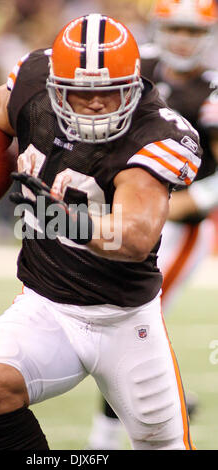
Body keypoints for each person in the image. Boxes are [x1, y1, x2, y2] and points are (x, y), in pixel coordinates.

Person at [0, 13, 202, 450]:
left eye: (109, 93)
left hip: (124, 320)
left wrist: (73, 221)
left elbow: (136, 238)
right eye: (80, 92)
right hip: (46, 304)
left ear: (133, 86)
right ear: (55, 86)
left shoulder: (154, 133)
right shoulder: (33, 85)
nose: (94, 103)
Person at [87, 0, 218, 450]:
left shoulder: (213, 89)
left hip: (181, 228)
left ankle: (104, 439)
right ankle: (163, 402)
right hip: (125, 209)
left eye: (192, 29)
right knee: (103, 316)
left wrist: (189, 201)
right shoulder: (137, 65)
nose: (182, 38)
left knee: (133, 321)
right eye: (174, 27)